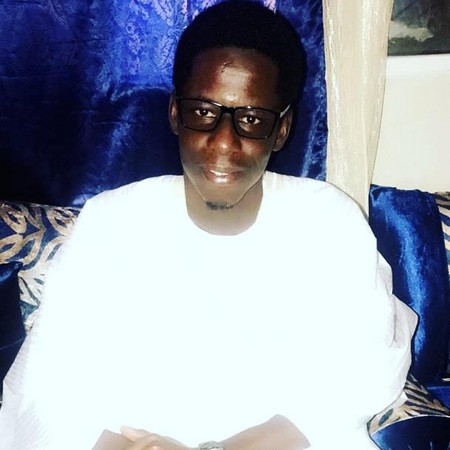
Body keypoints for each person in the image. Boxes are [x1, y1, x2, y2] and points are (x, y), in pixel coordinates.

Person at [0, 2, 417, 449]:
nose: (223, 143)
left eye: (251, 120)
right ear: (175, 114)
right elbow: (48, 381)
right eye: (203, 113)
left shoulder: (327, 222)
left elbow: (365, 369)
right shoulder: (111, 221)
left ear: (282, 130)